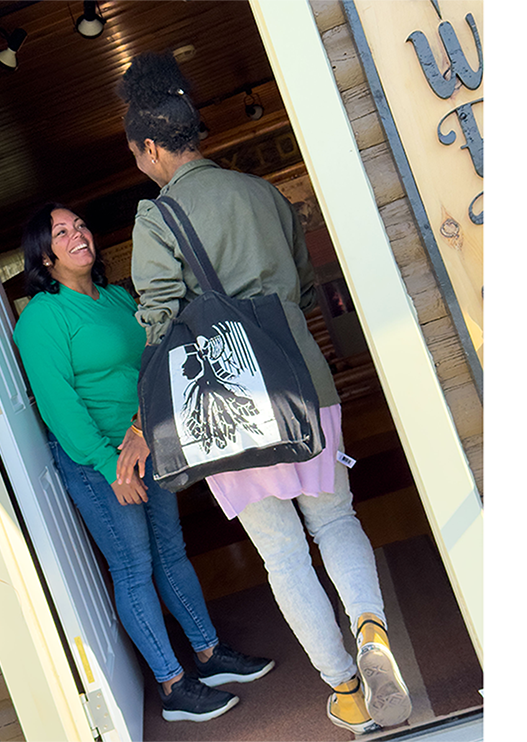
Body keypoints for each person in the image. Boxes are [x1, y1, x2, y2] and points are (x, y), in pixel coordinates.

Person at [117, 51, 413, 734]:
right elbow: (306, 290)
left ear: (154, 147)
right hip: (303, 383)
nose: (140, 165)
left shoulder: (158, 218)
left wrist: (144, 417)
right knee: (336, 521)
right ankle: (371, 628)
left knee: (282, 555)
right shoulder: (265, 195)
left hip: (227, 409)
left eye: (138, 153)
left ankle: (344, 687)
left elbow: (160, 326)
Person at [12, 202, 274, 723]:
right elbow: (58, 403)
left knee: (172, 552)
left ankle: (208, 653)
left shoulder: (114, 298)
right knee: (134, 568)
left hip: (146, 445)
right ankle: (172, 686)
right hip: (100, 464)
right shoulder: (44, 317)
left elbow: (153, 363)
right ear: (44, 256)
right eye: (61, 233)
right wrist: (109, 465)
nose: (78, 235)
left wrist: (141, 433)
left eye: (81, 225)